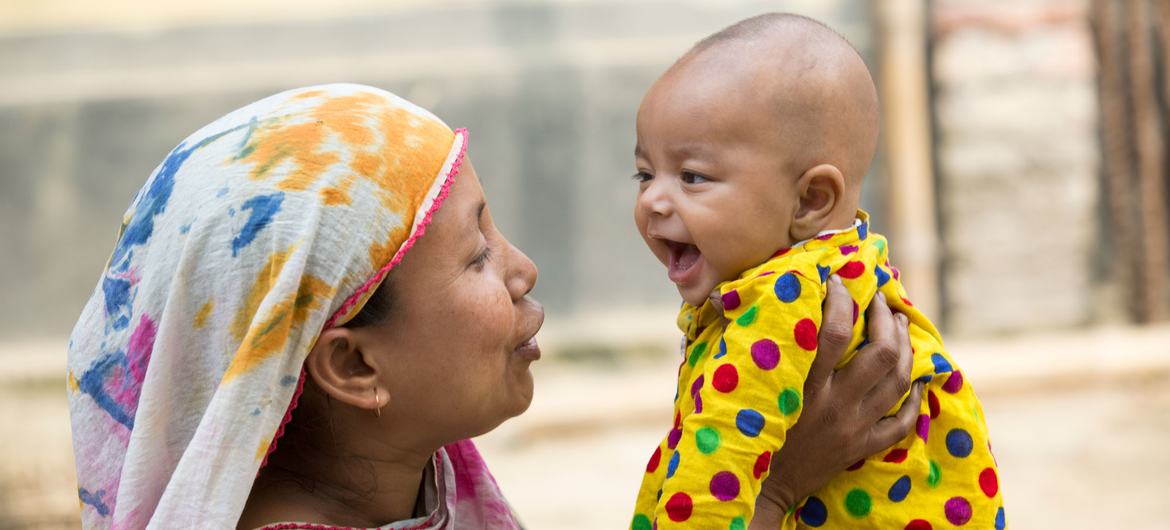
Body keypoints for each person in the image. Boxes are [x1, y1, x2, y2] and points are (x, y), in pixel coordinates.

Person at [66, 83, 920, 530]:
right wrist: (775, 491)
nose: (523, 269)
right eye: (477, 255)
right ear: (356, 364)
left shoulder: (408, 484)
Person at [630, 13, 1004, 530]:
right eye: (645, 174)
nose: (651, 200)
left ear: (810, 199)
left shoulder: (780, 303)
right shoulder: (847, 264)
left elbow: (711, 484)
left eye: (692, 177)